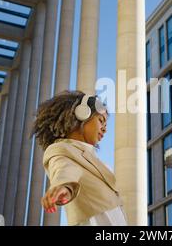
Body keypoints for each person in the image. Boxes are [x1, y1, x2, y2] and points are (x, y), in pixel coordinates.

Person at [33, 90, 127, 226]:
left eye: (106, 125)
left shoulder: (92, 157)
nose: (105, 129)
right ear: (81, 114)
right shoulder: (61, 149)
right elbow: (65, 168)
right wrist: (64, 186)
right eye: (101, 121)